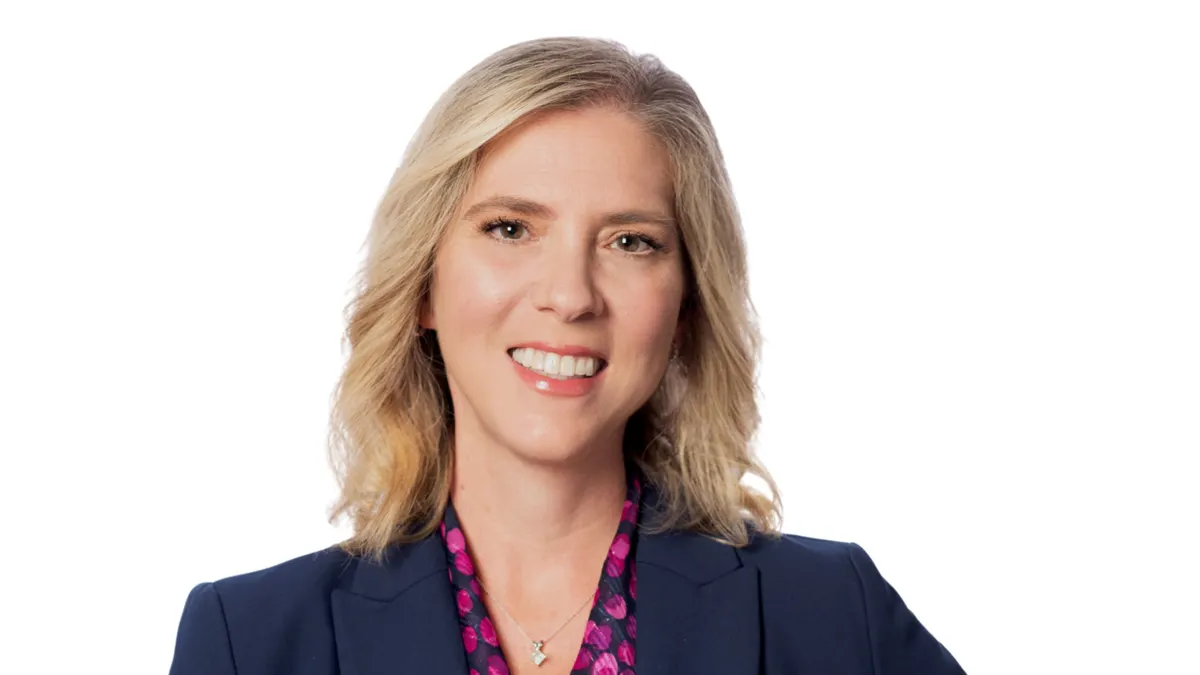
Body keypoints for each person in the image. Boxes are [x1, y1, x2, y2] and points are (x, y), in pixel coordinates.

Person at [169, 36, 966, 675]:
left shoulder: (834, 616)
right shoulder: (250, 642)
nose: (570, 294)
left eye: (630, 241)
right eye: (510, 228)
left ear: (685, 306)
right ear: (422, 286)